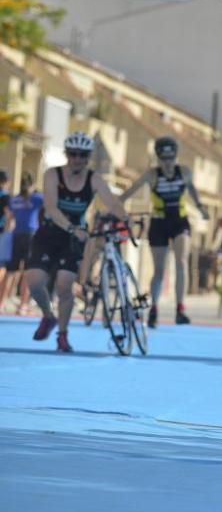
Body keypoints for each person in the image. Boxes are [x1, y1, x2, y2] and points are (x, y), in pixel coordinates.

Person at [26, 132, 129, 352]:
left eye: (82, 155)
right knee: (35, 283)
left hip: (74, 239)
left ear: (88, 157)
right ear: (66, 154)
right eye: (73, 154)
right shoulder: (53, 175)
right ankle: (47, 315)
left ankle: (62, 335)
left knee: (65, 285)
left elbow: (111, 202)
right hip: (50, 232)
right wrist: (72, 228)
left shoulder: (94, 179)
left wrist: (126, 218)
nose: (77, 159)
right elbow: (52, 208)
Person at [121, 136, 208, 327]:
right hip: (159, 222)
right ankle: (154, 309)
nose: (168, 163)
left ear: (176, 157)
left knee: (181, 261)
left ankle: (180, 308)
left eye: (171, 158)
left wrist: (201, 207)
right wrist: (117, 204)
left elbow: (192, 190)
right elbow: (131, 190)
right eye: (163, 159)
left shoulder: (184, 172)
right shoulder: (151, 175)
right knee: (159, 270)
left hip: (179, 221)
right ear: (158, 158)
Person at [2, 172, 43, 314]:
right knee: (27, 272)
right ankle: (23, 305)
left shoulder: (15, 200)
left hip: (16, 236)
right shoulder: (37, 198)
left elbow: (9, 218)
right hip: (31, 237)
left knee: (10, 272)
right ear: (32, 185)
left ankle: (1, 302)